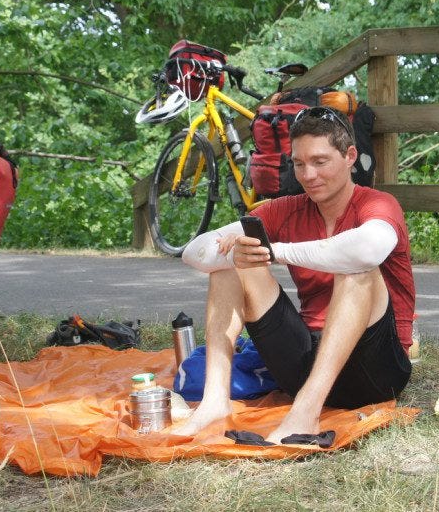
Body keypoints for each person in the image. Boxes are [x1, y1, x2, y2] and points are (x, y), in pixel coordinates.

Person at [176, 106, 416, 443]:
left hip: (376, 373)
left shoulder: (377, 204)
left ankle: (305, 415)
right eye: (299, 164)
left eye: (320, 162)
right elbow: (194, 251)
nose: (308, 175)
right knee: (230, 263)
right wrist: (233, 250)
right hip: (305, 363)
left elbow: (367, 250)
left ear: (349, 156)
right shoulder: (284, 209)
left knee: (356, 270)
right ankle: (214, 402)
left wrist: (277, 251)